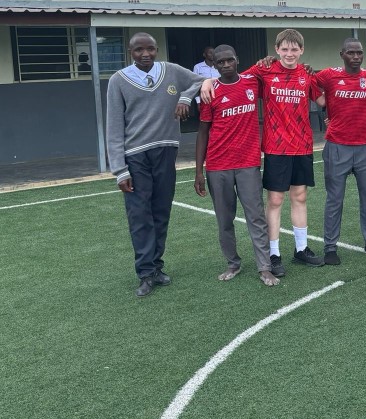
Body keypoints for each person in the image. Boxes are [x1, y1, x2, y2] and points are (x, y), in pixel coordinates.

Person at [106, 32, 207, 297]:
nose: (145, 54)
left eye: (150, 49)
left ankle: (157, 266)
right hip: (135, 156)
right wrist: (119, 169)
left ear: (157, 49)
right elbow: (114, 126)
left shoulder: (171, 71)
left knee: (161, 212)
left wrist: (185, 98)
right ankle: (145, 273)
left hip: (166, 152)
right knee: (140, 215)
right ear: (131, 52)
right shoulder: (118, 81)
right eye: (139, 50)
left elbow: (204, 81)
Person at [230, 29, 324, 274]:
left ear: (301, 50)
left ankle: (301, 249)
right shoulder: (264, 70)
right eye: (285, 49)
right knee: (275, 200)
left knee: (300, 196)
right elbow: (235, 80)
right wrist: (208, 82)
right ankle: (273, 254)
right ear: (277, 49)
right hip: (276, 146)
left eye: (294, 49)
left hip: (302, 145)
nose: (290, 53)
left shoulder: (307, 74)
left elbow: (324, 100)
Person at [193, 45, 279, 286]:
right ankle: (233, 263)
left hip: (248, 163)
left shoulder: (252, 81)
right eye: (220, 62)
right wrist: (198, 170)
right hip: (218, 166)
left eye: (230, 60)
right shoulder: (210, 91)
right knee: (224, 219)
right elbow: (202, 132)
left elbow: (275, 70)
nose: (226, 65)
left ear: (237, 60)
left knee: (256, 216)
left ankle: (264, 267)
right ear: (215, 65)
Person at [312, 38, 366, 264]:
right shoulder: (328, 75)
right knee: (335, 199)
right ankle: (330, 246)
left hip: (364, 146)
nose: (355, 57)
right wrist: (322, 104)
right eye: (351, 53)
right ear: (342, 54)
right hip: (337, 146)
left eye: (359, 53)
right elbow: (309, 84)